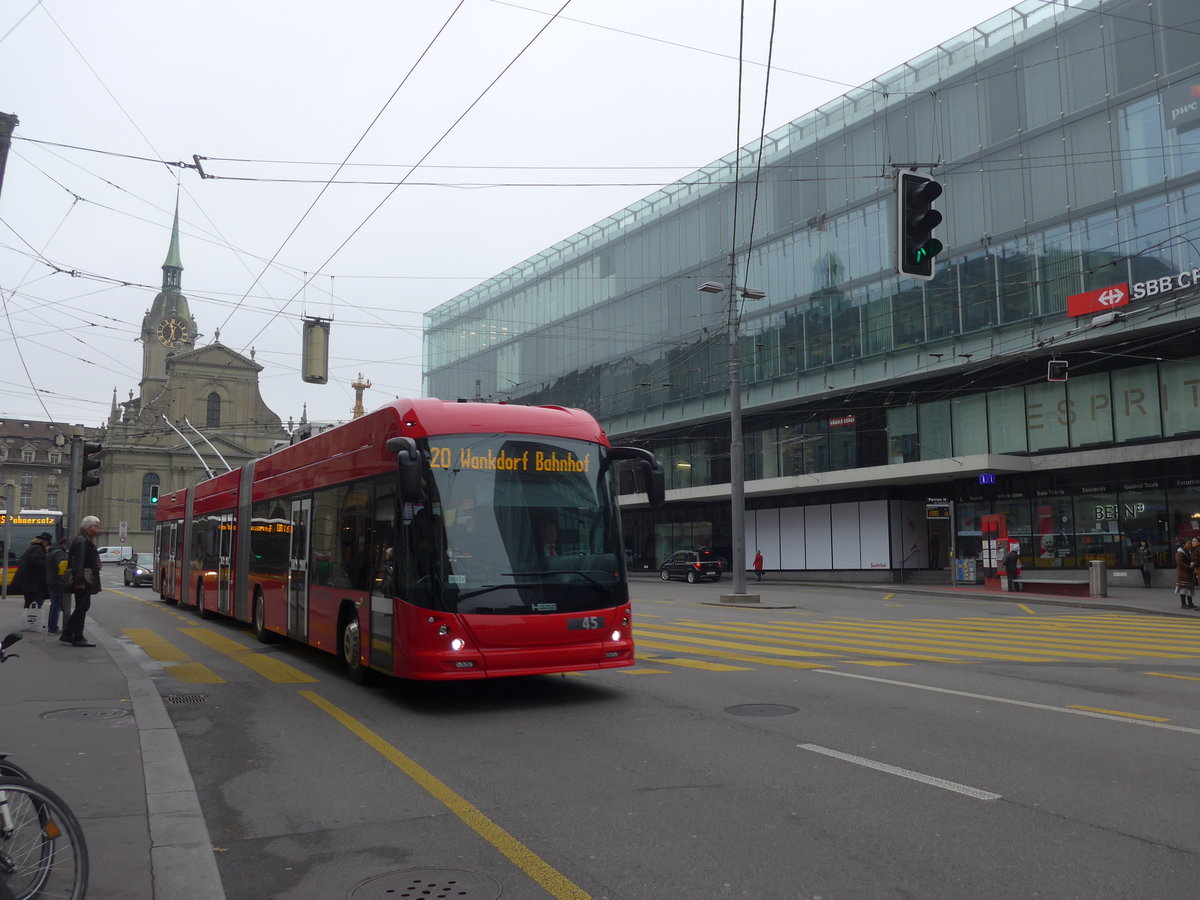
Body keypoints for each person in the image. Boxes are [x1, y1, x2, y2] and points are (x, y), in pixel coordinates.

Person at [62, 516, 102, 647]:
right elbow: (78, 562)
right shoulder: (82, 541)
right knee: (81, 607)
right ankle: (76, 636)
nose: (98, 529)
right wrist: (79, 581)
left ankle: (68, 634)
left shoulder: (83, 539)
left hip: (85, 579)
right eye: (96, 526)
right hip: (84, 580)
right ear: (88, 527)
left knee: (82, 607)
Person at [12, 532, 52, 610]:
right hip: (32, 583)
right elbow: (35, 560)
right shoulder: (38, 548)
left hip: (28, 583)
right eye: (47, 543)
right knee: (34, 604)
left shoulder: (33, 547)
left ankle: (28, 619)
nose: (47, 546)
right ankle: (31, 620)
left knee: (29, 604)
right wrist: (47, 566)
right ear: (45, 541)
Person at [46, 537, 71, 634]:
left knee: (55, 604)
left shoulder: (51, 551)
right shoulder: (59, 553)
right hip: (58, 582)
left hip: (51, 581)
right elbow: (62, 566)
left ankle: (52, 626)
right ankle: (53, 627)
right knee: (57, 605)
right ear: (63, 544)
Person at [1174, 537, 1197, 610]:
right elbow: (1179, 563)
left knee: (1189, 588)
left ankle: (1190, 603)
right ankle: (1183, 604)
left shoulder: (1189, 551)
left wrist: (1193, 564)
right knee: (1183, 589)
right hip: (1183, 574)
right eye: (1188, 544)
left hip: (1189, 573)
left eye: (1190, 544)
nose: (1190, 545)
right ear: (1184, 545)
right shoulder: (1179, 552)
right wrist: (1189, 566)